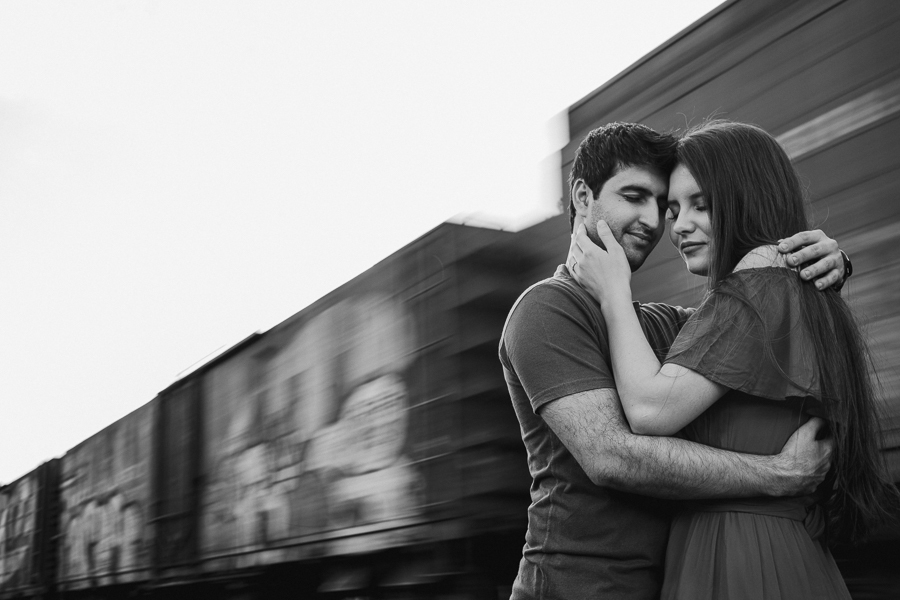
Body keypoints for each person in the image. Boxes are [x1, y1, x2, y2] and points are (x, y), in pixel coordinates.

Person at [499, 122, 848, 600]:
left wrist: (822, 264)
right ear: (583, 196)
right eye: (634, 196)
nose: (654, 220)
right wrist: (779, 474)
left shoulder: (666, 323)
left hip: (672, 580)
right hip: (575, 587)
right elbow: (612, 456)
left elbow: (748, 319)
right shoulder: (546, 309)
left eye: (662, 206)